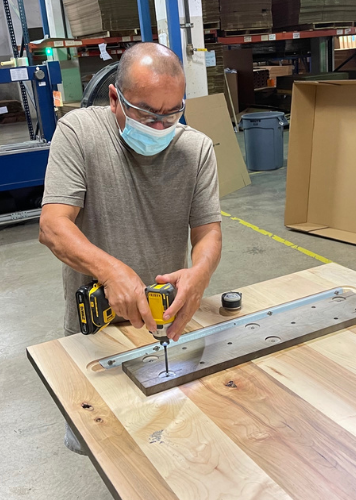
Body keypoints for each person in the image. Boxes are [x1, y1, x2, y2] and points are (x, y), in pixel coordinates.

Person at [38, 42, 223, 454]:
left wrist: (199, 275)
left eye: (171, 113)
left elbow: (208, 233)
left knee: (169, 435)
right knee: (104, 445)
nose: (159, 127)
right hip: (95, 331)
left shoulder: (196, 149)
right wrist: (111, 271)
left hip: (164, 324)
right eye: (145, 113)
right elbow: (53, 226)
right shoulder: (79, 133)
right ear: (114, 98)